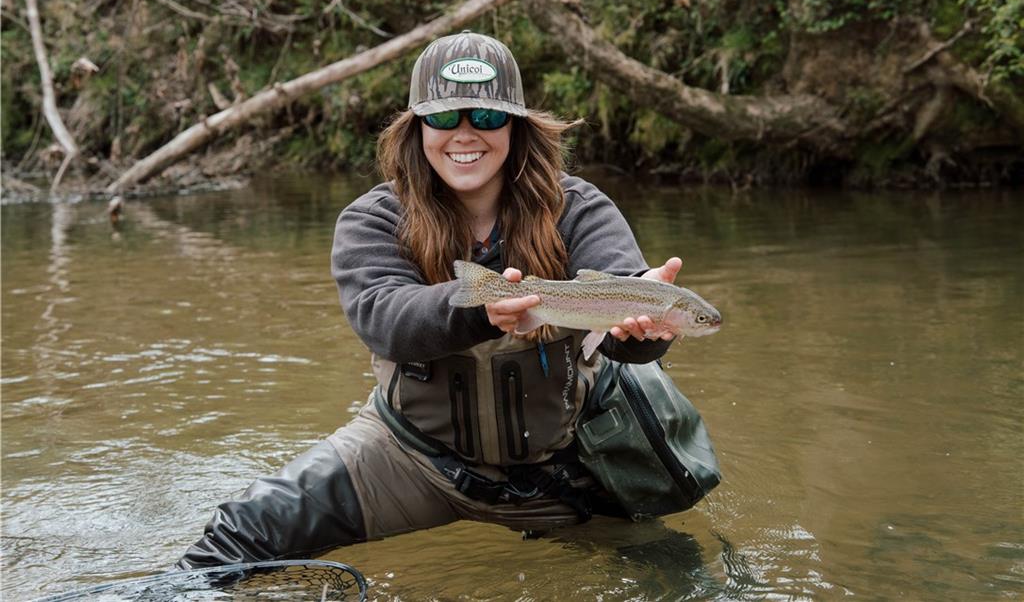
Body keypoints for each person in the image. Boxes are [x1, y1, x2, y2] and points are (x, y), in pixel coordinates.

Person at [177, 31, 682, 568]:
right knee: (240, 534)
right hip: (409, 458)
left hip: (560, 469)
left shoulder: (578, 208)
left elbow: (631, 324)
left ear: (515, 127)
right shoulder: (374, 219)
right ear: (417, 129)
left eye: (486, 118)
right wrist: (478, 310)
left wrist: (649, 323)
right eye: (444, 119)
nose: (465, 134)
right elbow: (383, 319)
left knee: (678, 563)